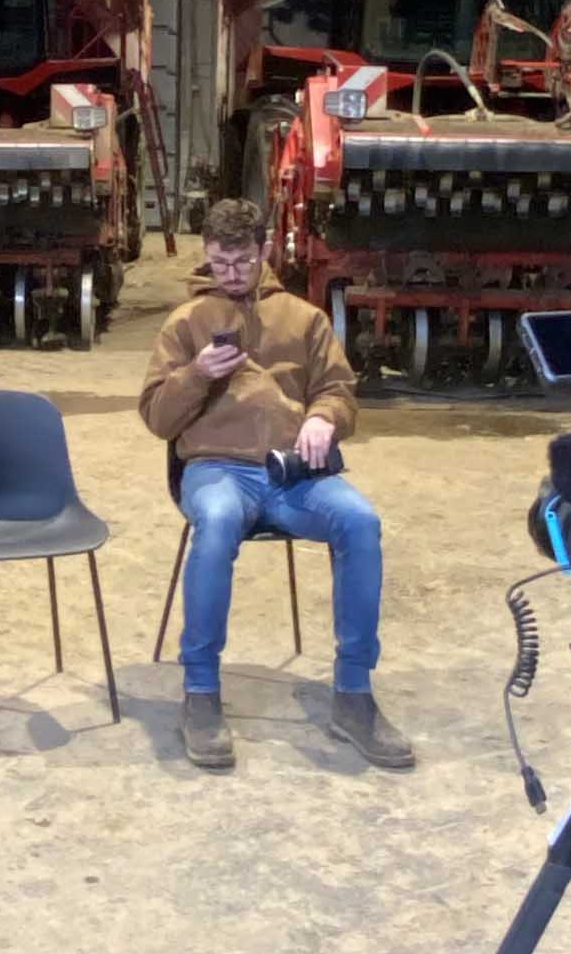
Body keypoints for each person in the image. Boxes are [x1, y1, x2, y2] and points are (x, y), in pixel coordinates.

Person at [138, 198, 414, 775]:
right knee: (213, 523)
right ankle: (201, 693)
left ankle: (354, 694)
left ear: (263, 251)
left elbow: (339, 390)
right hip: (216, 469)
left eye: (241, 261)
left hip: (292, 472)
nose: (231, 274)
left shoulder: (305, 319)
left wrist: (323, 419)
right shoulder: (186, 323)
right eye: (219, 262)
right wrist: (196, 376)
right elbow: (158, 420)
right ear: (206, 256)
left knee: (360, 521)